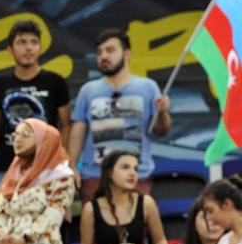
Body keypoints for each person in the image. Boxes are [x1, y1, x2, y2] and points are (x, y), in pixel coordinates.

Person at [67, 28, 171, 201]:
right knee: (93, 226)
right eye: (99, 52)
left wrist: (162, 113)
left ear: (127, 53)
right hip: (95, 175)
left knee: (135, 227)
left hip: (136, 175)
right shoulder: (88, 91)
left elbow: (162, 130)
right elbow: (78, 129)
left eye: (110, 50)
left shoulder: (147, 87)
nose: (104, 57)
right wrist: (72, 166)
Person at [0, 19, 72, 195]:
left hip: (46, 165)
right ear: (10, 49)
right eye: (22, 43)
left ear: (40, 48)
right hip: (6, 166)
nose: (28, 48)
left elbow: (66, 126)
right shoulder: (0, 84)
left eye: (34, 42)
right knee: (1, 219)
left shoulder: (55, 82)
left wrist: (64, 162)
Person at [78, 150, 166, 244]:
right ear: (109, 173)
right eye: (125, 167)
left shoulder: (146, 203)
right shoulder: (91, 209)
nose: (132, 173)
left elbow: (160, 241)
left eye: (136, 169)